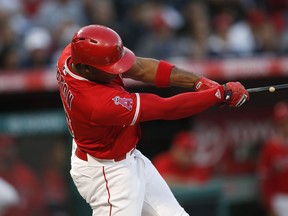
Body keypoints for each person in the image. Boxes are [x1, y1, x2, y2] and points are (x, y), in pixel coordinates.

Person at [56, 24, 249, 216]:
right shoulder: (96, 103)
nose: (117, 70)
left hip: (122, 157)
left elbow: (139, 68)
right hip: (108, 173)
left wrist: (198, 82)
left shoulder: (72, 56)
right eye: (109, 68)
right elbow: (167, 108)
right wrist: (218, 95)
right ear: (86, 68)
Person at [257, 101, 288, 216]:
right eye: (284, 122)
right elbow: (264, 178)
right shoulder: (270, 147)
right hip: (279, 199)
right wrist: (268, 204)